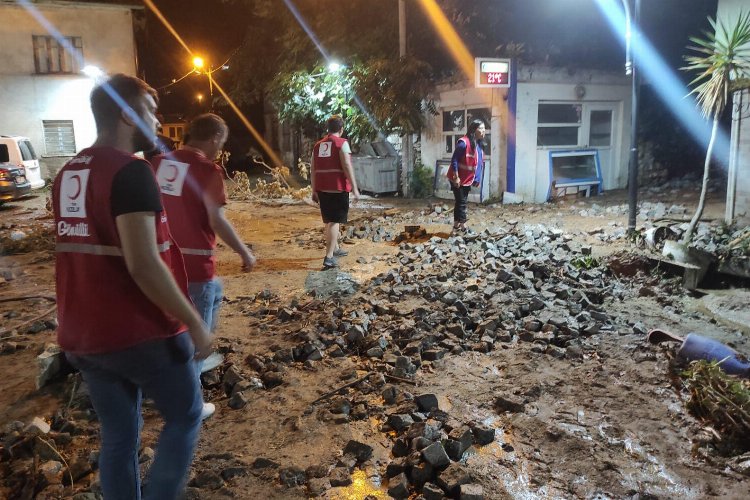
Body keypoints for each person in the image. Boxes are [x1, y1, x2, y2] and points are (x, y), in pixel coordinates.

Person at [52, 74, 211, 500]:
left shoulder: (69, 172)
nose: (157, 123)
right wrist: (194, 322)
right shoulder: (132, 172)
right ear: (127, 114)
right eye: (151, 112)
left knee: (119, 437)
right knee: (187, 414)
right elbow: (143, 263)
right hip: (138, 332)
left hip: (83, 337)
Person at [152, 113, 256, 385]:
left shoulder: (157, 164)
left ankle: (177, 367)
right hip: (195, 268)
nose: (220, 149)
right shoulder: (207, 169)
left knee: (206, 296)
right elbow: (216, 219)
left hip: (160, 264)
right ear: (214, 138)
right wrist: (244, 252)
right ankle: (191, 396)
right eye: (221, 142)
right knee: (198, 332)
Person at [310, 114, 360, 269]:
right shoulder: (342, 143)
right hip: (337, 188)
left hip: (322, 188)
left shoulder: (318, 145)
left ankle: (336, 248)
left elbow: (313, 167)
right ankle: (329, 256)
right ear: (341, 129)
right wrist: (355, 189)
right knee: (334, 222)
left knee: (329, 221)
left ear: (328, 128)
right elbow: (346, 165)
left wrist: (314, 189)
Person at [447, 119, 486, 234]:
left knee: (459, 202)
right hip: (457, 178)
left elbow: (479, 164)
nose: (483, 131)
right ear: (474, 130)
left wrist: (477, 178)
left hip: (468, 179)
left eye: (484, 129)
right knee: (462, 202)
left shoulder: (479, 145)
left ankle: (455, 226)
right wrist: (456, 177)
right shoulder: (463, 143)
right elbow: (454, 159)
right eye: (481, 129)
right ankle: (463, 226)